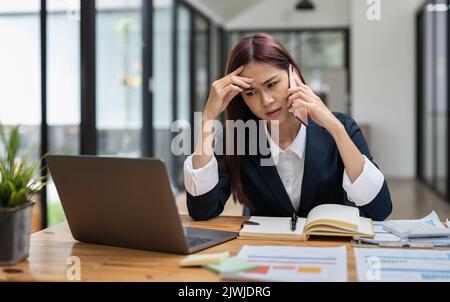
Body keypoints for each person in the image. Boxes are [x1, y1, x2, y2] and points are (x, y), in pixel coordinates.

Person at [183, 33, 392, 221]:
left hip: (330, 252)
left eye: (272, 84)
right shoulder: (239, 137)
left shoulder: (341, 126)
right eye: (251, 93)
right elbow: (202, 210)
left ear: (294, 76)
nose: (266, 101)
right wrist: (207, 118)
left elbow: (380, 209)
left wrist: (335, 128)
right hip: (264, 254)